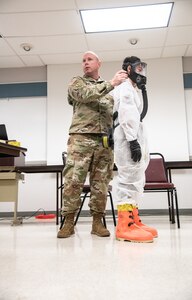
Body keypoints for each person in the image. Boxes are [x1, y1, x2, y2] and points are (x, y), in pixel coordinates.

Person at [57, 51, 128, 238]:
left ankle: (97, 223)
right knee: (73, 182)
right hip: (80, 139)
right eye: (83, 60)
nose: (85, 63)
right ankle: (68, 223)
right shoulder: (77, 82)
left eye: (89, 60)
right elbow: (85, 95)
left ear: (99, 63)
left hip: (104, 142)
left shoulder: (109, 94)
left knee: (101, 184)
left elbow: (114, 115)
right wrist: (112, 83)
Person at [113, 56, 158, 243]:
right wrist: (132, 141)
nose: (141, 72)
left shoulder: (133, 88)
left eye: (142, 69)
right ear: (128, 70)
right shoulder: (124, 87)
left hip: (133, 134)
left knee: (137, 178)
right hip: (126, 136)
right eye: (137, 68)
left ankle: (134, 221)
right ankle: (124, 226)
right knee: (128, 179)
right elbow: (127, 114)